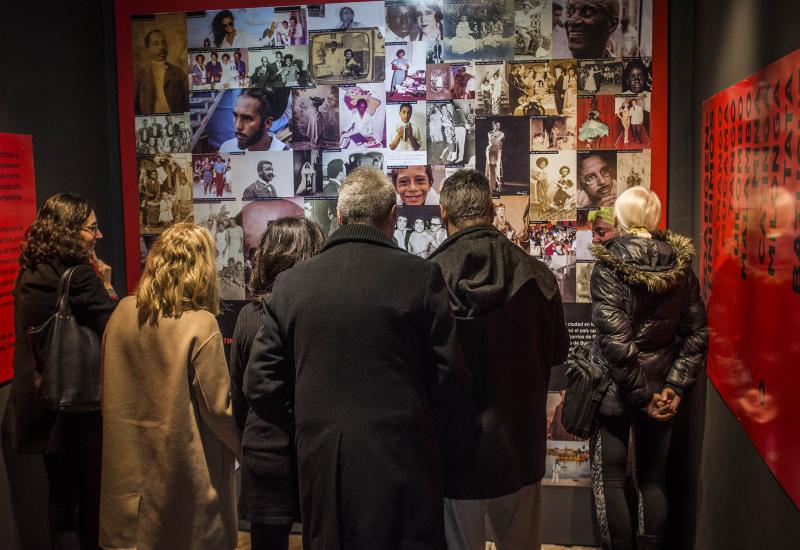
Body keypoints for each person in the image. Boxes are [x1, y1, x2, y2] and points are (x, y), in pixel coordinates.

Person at [244, 167, 467, 550]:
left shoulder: (291, 284)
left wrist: (315, 420)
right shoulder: (421, 277)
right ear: (393, 218)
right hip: (404, 462)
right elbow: (449, 379)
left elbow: (261, 383)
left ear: (340, 218)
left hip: (323, 465)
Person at [428, 169, 570, 550]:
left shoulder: (427, 279)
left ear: (444, 213)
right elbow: (558, 354)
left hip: (454, 452)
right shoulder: (538, 275)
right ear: (492, 210)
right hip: (520, 448)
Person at [100, 223, 240, 550]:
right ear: (202, 267)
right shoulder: (200, 324)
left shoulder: (121, 313)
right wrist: (241, 447)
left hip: (129, 476)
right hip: (185, 478)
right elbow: (218, 408)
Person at [589, 187, 707, 550]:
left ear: (621, 219)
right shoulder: (681, 266)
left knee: (607, 478)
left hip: (617, 389)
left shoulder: (608, 265)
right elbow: (696, 333)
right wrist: (674, 388)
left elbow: (617, 344)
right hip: (661, 388)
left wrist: (640, 398)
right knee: (653, 479)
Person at [3, 193, 117, 550]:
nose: (98, 236)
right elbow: (114, 329)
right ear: (70, 231)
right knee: (91, 500)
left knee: (60, 501)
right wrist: (109, 285)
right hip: (77, 405)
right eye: (91, 229)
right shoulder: (79, 276)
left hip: (39, 403)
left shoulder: (30, 270)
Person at [229, 217, 324, 550]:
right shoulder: (321, 318)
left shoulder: (249, 317)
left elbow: (241, 396)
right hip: (316, 452)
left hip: (264, 450)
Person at [135, 29, 188, 114]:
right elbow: (134, 106)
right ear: (147, 49)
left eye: (164, 43)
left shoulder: (178, 73)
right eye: (156, 44)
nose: (161, 47)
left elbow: (187, 102)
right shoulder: (140, 75)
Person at [219, 88, 290, 152]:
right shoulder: (226, 148)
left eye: (247, 118)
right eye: (235, 115)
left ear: (268, 123)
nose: (238, 126)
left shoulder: (287, 154)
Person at [485, 120, 504, 192]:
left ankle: (497, 185)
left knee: (496, 166)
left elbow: (501, 142)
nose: (498, 126)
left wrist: (500, 145)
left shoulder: (502, 133)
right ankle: (491, 186)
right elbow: (490, 141)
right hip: (489, 150)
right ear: (493, 125)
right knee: (490, 165)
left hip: (497, 150)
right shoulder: (489, 133)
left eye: (499, 125)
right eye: (496, 125)